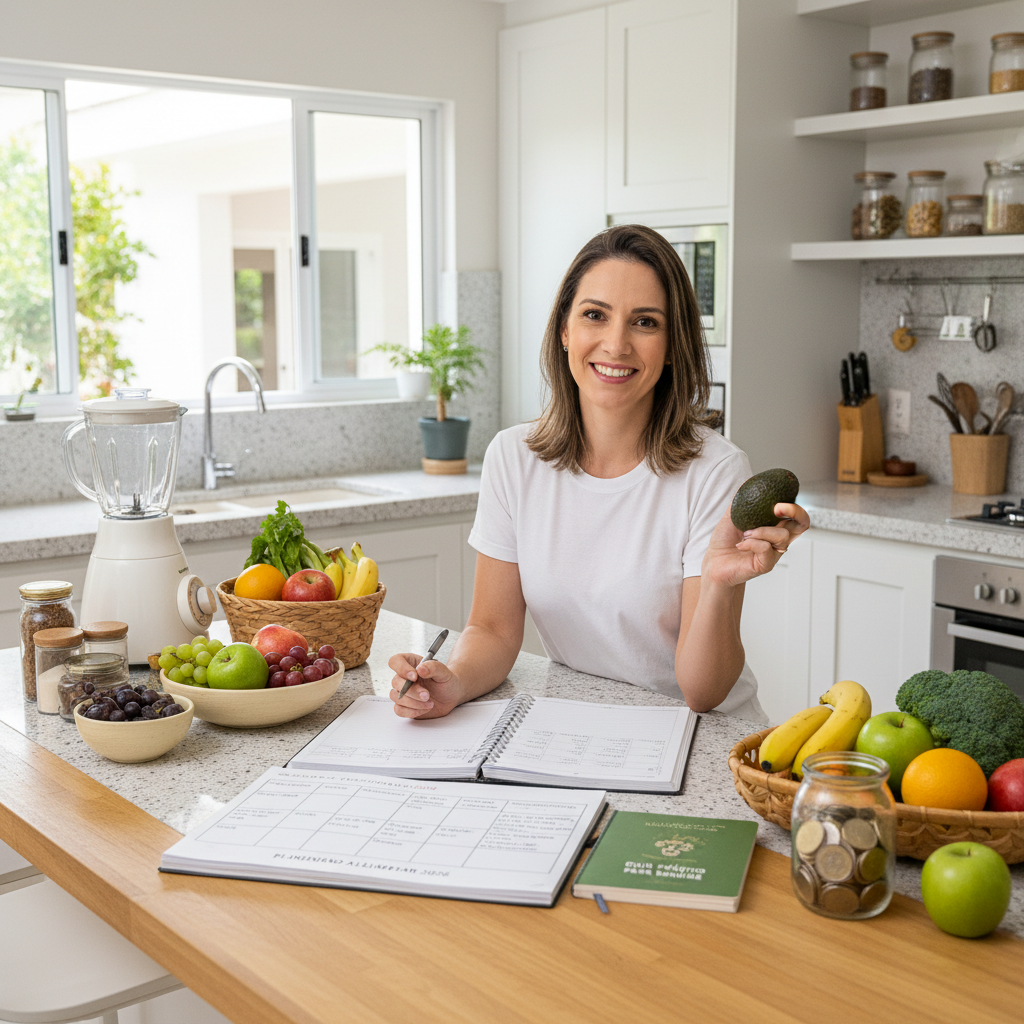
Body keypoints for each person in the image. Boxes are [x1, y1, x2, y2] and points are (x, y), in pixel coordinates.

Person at [388, 224, 809, 723]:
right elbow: (495, 630)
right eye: (595, 315)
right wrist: (453, 682)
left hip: (701, 738)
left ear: (673, 344)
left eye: (645, 322)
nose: (616, 344)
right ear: (565, 330)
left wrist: (718, 582)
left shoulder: (715, 470)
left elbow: (702, 693)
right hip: (585, 725)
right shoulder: (513, 457)